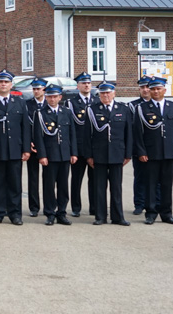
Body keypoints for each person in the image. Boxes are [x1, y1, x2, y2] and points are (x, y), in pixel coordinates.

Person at [0, 69, 31, 225]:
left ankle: (15, 213)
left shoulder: (20, 103)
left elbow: (25, 128)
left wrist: (26, 149)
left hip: (15, 149)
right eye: (1, 82)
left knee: (15, 183)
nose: (3, 84)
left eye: (6, 82)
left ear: (11, 85)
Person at [134, 77, 173, 225]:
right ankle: (150, 213)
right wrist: (141, 152)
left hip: (169, 152)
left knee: (167, 184)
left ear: (164, 90)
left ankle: (167, 213)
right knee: (150, 184)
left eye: (158, 89)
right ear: (149, 90)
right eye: (153, 89)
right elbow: (138, 133)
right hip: (151, 153)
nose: (156, 91)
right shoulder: (142, 108)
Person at [86, 82, 132, 226]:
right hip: (98, 154)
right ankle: (100, 216)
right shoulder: (92, 110)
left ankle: (118, 216)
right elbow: (87, 135)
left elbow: (129, 134)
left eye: (108, 93)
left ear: (114, 94)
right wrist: (88, 155)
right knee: (99, 187)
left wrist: (128, 154)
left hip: (117, 153)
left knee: (116, 187)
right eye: (102, 93)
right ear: (99, 95)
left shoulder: (123, 109)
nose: (105, 95)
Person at [32, 84, 76, 225]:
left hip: (64, 154)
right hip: (50, 156)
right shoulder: (40, 113)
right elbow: (38, 137)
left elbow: (72, 134)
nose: (52, 99)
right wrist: (42, 155)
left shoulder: (67, 112)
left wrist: (73, 153)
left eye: (55, 96)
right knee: (49, 186)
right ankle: (50, 213)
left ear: (60, 97)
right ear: (46, 97)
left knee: (63, 186)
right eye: (49, 96)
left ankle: (61, 212)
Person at [66, 72, 99, 217]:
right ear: (78, 86)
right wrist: (72, 150)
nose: (87, 85)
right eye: (83, 83)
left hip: (94, 148)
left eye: (88, 83)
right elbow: (71, 129)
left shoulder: (97, 102)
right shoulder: (71, 103)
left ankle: (94, 207)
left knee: (95, 179)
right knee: (76, 179)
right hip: (78, 147)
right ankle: (76, 207)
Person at [129, 76, 156, 215]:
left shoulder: (158, 104)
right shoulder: (132, 106)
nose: (145, 90)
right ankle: (139, 204)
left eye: (147, 87)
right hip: (138, 148)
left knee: (156, 178)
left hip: (155, 147)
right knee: (139, 177)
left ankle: (155, 203)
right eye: (142, 87)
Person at [25, 78, 48, 217]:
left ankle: (49, 206)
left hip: (47, 147)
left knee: (48, 179)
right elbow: (25, 127)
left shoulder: (50, 104)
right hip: (32, 146)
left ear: (44, 89)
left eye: (38, 89)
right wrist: (29, 143)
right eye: (34, 89)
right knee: (33, 178)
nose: (36, 91)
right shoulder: (26, 105)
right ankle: (34, 207)